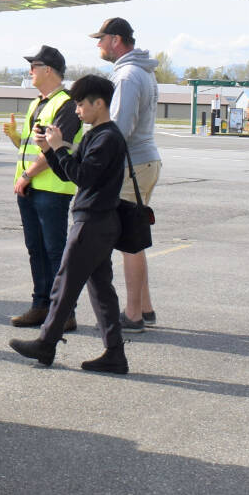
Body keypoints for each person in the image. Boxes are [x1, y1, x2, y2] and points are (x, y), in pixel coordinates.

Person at [9, 75, 130, 374]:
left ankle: (46, 343)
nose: (77, 110)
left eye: (80, 104)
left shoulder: (106, 138)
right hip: (97, 220)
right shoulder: (97, 135)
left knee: (64, 283)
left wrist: (58, 148)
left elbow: (83, 176)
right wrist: (52, 149)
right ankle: (114, 353)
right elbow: (70, 173)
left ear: (98, 104)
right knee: (101, 287)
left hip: (93, 221)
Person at [4, 45, 83, 331]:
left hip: (50, 189)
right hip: (30, 188)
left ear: (48, 69)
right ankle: (41, 305)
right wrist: (16, 138)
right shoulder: (38, 102)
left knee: (54, 251)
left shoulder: (66, 104)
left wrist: (26, 175)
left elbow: (54, 148)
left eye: (33, 66)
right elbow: (32, 145)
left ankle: (65, 311)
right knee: (35, 249)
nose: (30, 72)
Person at [93, 17, 160, 331]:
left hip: (131, 166)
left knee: (129, 241)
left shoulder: (129, 75)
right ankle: (144, 307)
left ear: (115, 39)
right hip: (144, 162)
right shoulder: (141, 70)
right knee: (137, 237)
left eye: (101, 39)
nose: (99, 45)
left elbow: (120, 127)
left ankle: (132, 314)